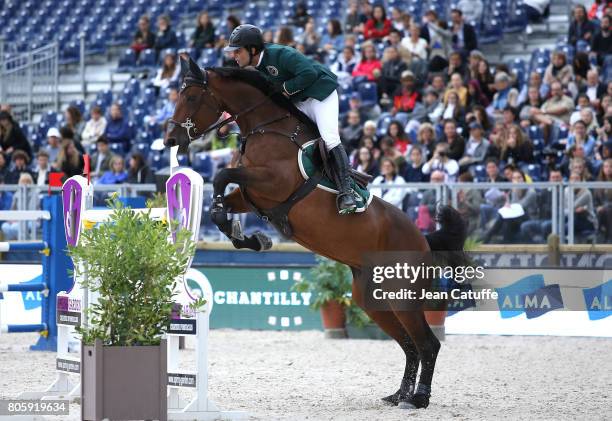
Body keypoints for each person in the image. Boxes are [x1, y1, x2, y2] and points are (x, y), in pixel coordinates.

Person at [224, 24, 358, 213]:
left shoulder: (281, 54)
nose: (234, 56)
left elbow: (308, 74)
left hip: (320, 94)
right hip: (300, 100)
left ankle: (347, 192)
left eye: (237, 51)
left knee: (329, 139)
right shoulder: (258, 67)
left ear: (252, 49)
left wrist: (284, 89)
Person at [481, 168, 538, 243]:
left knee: (506, 218)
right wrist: (507, 205)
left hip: (528, 216)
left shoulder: (531, 192)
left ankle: (488, 237)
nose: (517, 180)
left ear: (523, 179)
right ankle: (502, 241)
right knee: (506, 219)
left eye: (519, 177)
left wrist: (514, 195)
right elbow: (512, 208)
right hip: (515, 217)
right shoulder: (513, 190)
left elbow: (520, 207)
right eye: (514, 178)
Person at [1, 173, 38, 240]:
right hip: (18, 220)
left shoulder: (35, 195)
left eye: (27, 181)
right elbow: (12, 210)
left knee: (15, 227)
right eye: (23, 181)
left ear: (31, 183)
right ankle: (14, 244)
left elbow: (33, 212)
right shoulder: (16, 195)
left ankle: (24, 243)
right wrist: (11, 219)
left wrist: (18, 219)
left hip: (32, 220)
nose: (25, 184)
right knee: (5, 226)